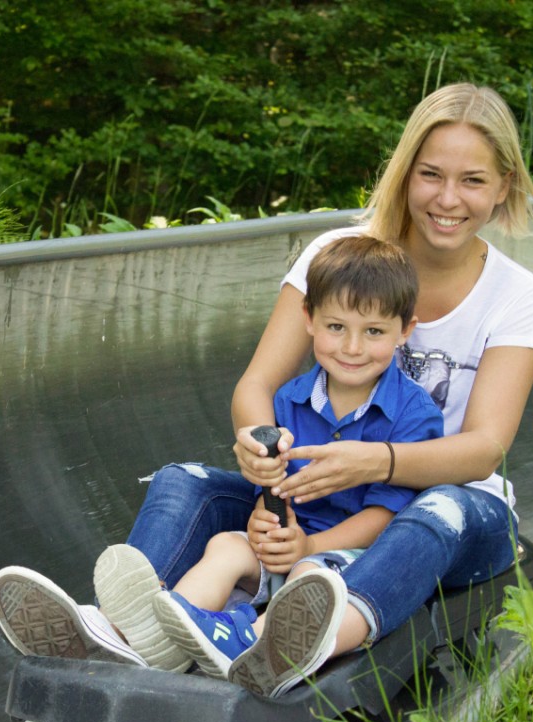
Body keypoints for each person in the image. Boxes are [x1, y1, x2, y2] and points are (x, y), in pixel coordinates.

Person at [0, 82, 533, 697]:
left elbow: (484, 448)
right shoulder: (334, 256)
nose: (448, 199)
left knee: (432, 508)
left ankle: (284, 644)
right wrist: (264, 454)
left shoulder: (516, 296)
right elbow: (257, 386)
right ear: (406, 174)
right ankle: (121, 634)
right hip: (311, 495)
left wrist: (375, 461)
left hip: (452, 512)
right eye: (431, 175)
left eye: (472, 180)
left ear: (504, 186)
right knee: (186, 480)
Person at [149, 235, 443, 695]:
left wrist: (311, 547)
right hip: (292, 543)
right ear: (308, 319)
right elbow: (272, 492)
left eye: (374, 331)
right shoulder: (287, 400)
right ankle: (163, 641)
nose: (351, 347)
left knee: (311, 579)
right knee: (228, 546)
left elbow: (388, 516)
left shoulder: (414, 414)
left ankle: (251, 641)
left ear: (406, 330)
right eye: (336, 326)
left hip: (350, 554)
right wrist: (265, 524)